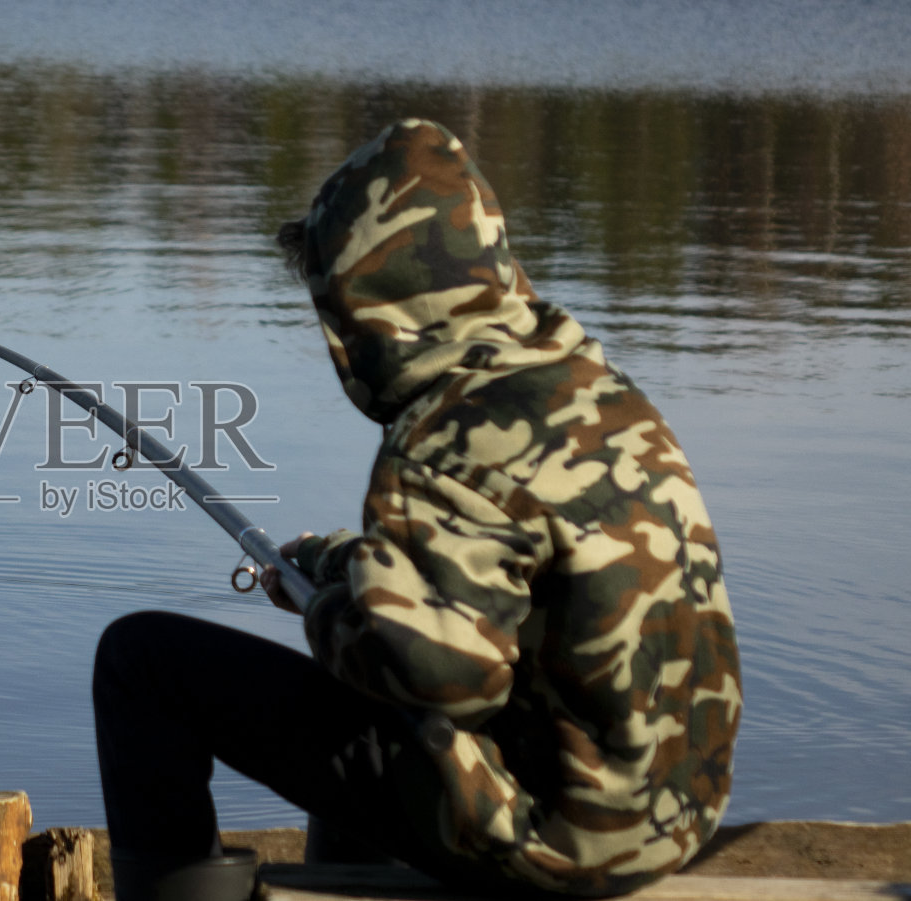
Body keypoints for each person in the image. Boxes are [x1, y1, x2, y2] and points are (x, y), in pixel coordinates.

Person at [93, 119, 742, 900]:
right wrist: (340, 562)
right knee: (364, 699)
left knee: (141, 662)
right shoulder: (601, 392)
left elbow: (439, 679)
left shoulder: (445, 432)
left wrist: (328, 612)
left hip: (553, 843)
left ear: (369, 302)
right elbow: (493, 588)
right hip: (667, 822)